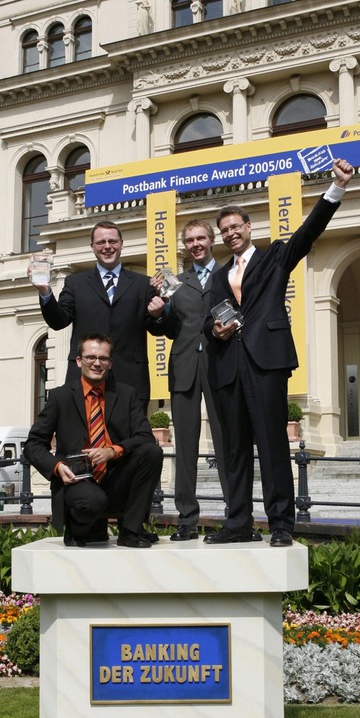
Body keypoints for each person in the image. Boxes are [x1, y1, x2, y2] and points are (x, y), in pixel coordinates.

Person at [204, 156, 355, 547]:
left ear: (249, 228)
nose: (231, 234)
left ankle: (281, 524)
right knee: (233, 448)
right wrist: (216, 330)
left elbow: (307, 233)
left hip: (266, 362)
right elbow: (210, 318)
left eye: (236, 227)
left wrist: (335, 188)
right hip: (228, 367)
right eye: (225, 230)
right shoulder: (219, 276)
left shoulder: (274, 257)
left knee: (272, 443)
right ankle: (237, 521)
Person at [24, 334, 163, 549]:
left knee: (152, 453)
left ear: (110, 363)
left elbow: (145, 437)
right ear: (79, 361)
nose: (97, 363)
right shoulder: (60, 397)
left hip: (115, 476)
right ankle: (79, 529)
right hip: (77, 480)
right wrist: (57, 467)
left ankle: (131, 531)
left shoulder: (126, 395)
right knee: (92, 502)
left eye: (103, 358)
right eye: (90, 357)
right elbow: (32, 445)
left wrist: (113, 451)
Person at [150, 219, 229, 540]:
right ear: (185, 245)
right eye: (189, 240)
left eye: (201, 238)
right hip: (183, 366)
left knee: (228, 443)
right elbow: (167, 328)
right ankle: (186, 519)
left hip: (220, 364)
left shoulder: (229, 274)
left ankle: (236, 515)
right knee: (184, 446)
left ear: (212, 241)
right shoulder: (174, 282)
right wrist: (159, 312)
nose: (195, 243)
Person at [33, 220, 165, 406]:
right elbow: (59, 321)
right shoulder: (75, 283)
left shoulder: (143, 284)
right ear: (92, 247)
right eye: (101, 242)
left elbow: (158, 329)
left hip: (130, 380)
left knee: (128, 436)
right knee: (84, 435)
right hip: (84, 379)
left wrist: (158, 314)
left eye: (113, 241)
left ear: (121, 244)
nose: (107, 247)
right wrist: (45, 292)